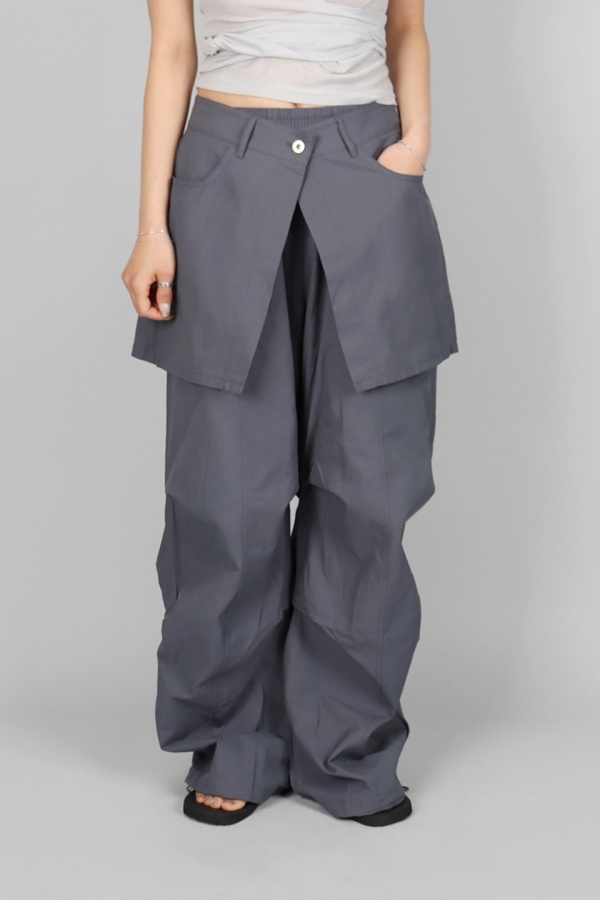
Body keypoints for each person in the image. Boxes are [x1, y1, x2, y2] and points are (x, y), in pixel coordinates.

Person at [121, 0, 458, 828]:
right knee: (224, 492)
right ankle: (233, 742)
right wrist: (152, 226)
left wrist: (414, 144)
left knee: (370, 484)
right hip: (225, 171)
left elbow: (405, 24)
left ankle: (349, 748)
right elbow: (172, 49)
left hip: (368, 165)